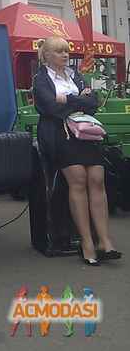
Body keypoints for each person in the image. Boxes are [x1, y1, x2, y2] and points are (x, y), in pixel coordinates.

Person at [33, 36, 122, 266]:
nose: (65, 55)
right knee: (79, 180)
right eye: (60, 52)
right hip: (60, 136)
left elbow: (94, 103)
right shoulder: (40, 79)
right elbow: (50, 107)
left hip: (85, 135)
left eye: (66, 51)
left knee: (97, 178)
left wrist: (68, 99)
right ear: (48, 56)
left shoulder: (76, 76)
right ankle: (86, 243)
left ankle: (104, 241)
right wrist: (77, 99)